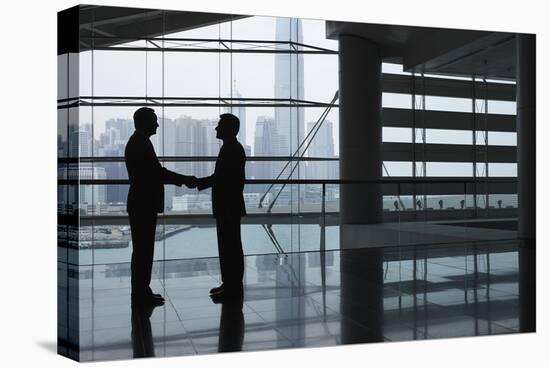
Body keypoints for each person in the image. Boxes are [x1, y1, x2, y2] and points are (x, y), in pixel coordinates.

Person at [125, 107, 197, 305]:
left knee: (142, 251)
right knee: (143, 251)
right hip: (143, 204)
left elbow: (155, 173)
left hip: (141, 203)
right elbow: (157, 173)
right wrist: (185, 180)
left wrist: (182, 180)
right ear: (144, 122)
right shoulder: (141, 144)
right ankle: (141, 294)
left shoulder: (139, 142)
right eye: (154, 121)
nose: (157, 124)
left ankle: (141, 291)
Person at [196, 113, 246, 299]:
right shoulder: (232, 148)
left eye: (219, 125)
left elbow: (223, 179)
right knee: (229, 246)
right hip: (229, 205)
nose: (216, 128)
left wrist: (199, 183)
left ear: (227, 129)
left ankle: (232, 287)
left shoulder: (231, 149)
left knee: (229, 247)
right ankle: (230, 284)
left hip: (228, 206)